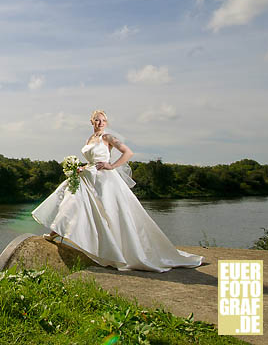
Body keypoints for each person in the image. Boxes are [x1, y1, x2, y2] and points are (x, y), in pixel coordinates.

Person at [32, 109, 203, 272]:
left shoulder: (108, 137)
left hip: (104, 181)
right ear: (92, 121)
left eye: (104, 120)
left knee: (111, 215)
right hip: (88, 176)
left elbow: (128, 152)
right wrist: (81, 167)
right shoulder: (90, 138)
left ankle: (117, 250)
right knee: (72, 202)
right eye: (97, 119)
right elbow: (92, 160)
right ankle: (57, 231)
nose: (100, 122)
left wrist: (111, 165)